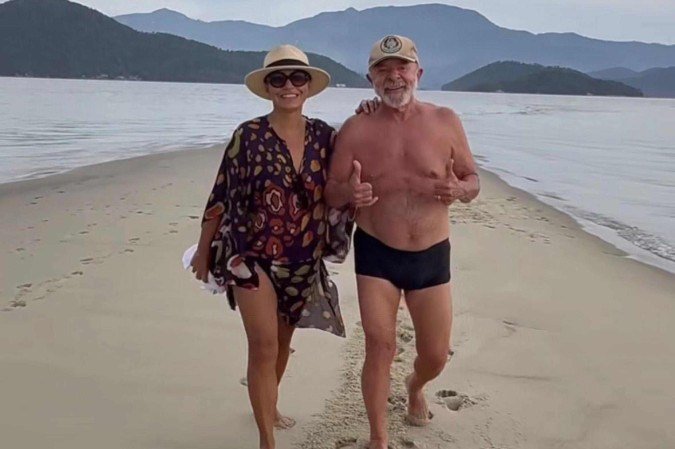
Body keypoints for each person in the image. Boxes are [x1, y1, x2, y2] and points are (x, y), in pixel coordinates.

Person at [189, 45, 374, 449]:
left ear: (308, 86)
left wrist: (370, 110)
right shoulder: (248, 136)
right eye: (278, 78)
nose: (288, 85)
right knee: (263, 344)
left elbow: (344, 180)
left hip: (302, 259)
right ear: (268, 87)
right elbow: (220, 195)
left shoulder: (326, 137)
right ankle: (266, 439)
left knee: (284, 344)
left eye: (297, 77)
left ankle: (268, 405)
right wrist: (204, 251)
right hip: (248, 256)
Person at [325, 35, 480, 449]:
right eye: (383, 69)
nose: (393, 77)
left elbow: (472, 179)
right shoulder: (356, 129)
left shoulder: (445, 120)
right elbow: (331, 191)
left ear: (418, 73)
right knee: (380, 345)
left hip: (432, 255)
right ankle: (378, 438)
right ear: (370, 79)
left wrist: (459, 190)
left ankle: (415, 386)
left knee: (435, 355)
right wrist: (348, 194)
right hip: (377, 251)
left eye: (402, 67)